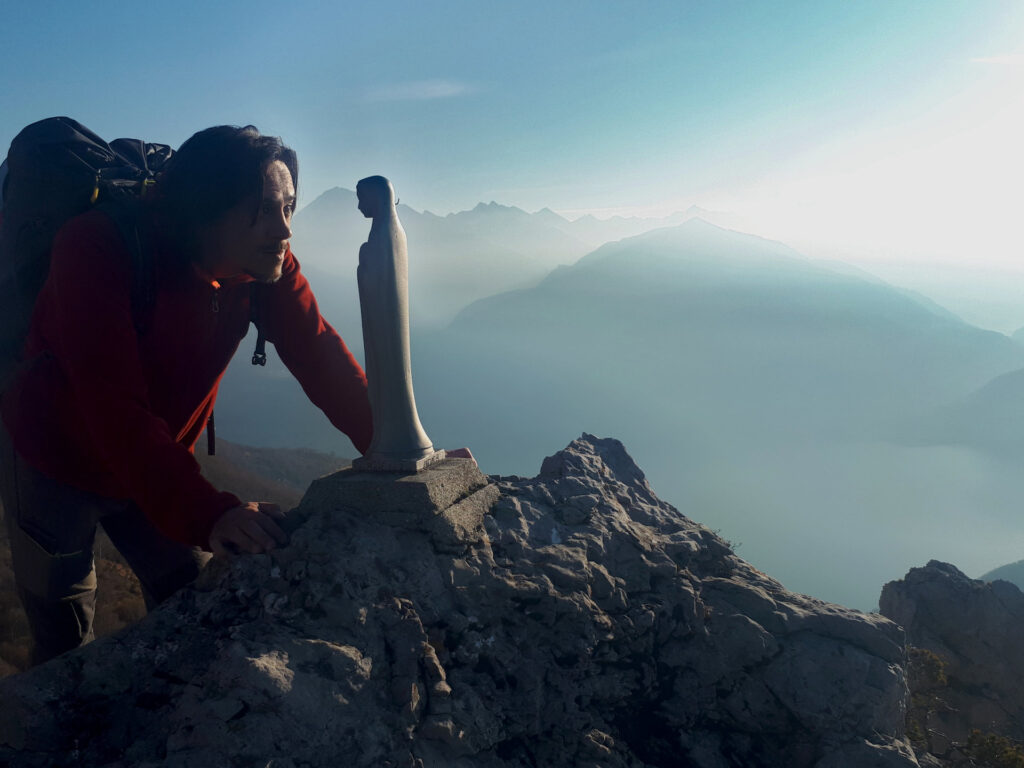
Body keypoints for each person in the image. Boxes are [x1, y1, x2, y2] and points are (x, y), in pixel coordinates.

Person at [0, 125, 373, 665]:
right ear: (208, 211)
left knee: (189, 602)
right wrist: (208, 513)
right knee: (62, 638)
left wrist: (398, 444)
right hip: (51, 461)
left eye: (291, 207)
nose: (284, 230)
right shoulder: (97, 246)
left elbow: (319, 353)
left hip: (153, 458)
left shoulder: (263, 265)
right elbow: (111, 405)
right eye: (265, 210)